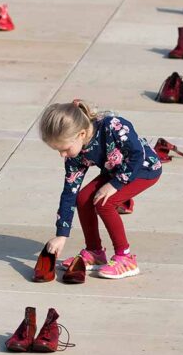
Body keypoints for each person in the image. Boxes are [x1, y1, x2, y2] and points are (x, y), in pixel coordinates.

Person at [40, 100, 162, 279]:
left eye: (64, 149)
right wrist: (61, 234)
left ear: (81, 134)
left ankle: (125, 258)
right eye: (58, 151)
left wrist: (115, 185)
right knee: (82, 198)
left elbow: (137, 155)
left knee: (105, 202)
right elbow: (69, 192)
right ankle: (95, 252)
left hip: (144, 168)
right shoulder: (76, 154)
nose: (62, 155)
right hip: (116, 171)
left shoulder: (112, 127)